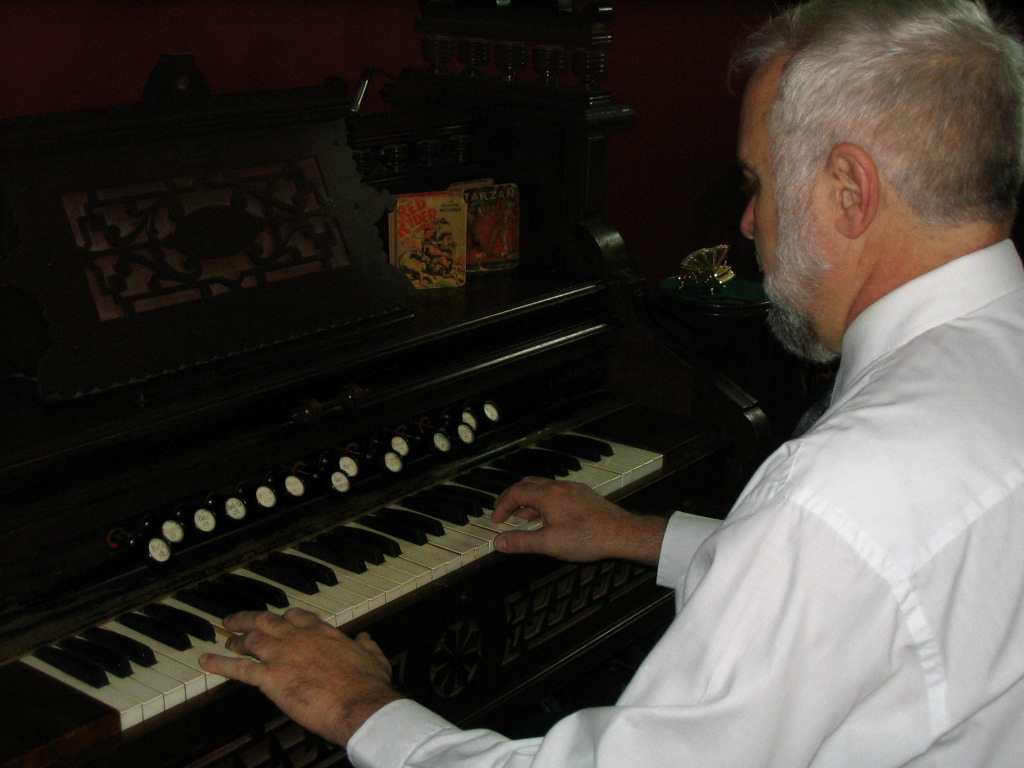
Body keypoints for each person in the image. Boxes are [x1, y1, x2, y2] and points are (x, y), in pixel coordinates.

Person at [199, 0, 1024, 764]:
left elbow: (843, 550)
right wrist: (637, 535)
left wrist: (358, 706)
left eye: (759, 183)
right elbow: (879, 594)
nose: (748, 222)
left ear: (849, 191)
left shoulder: (847, 489)